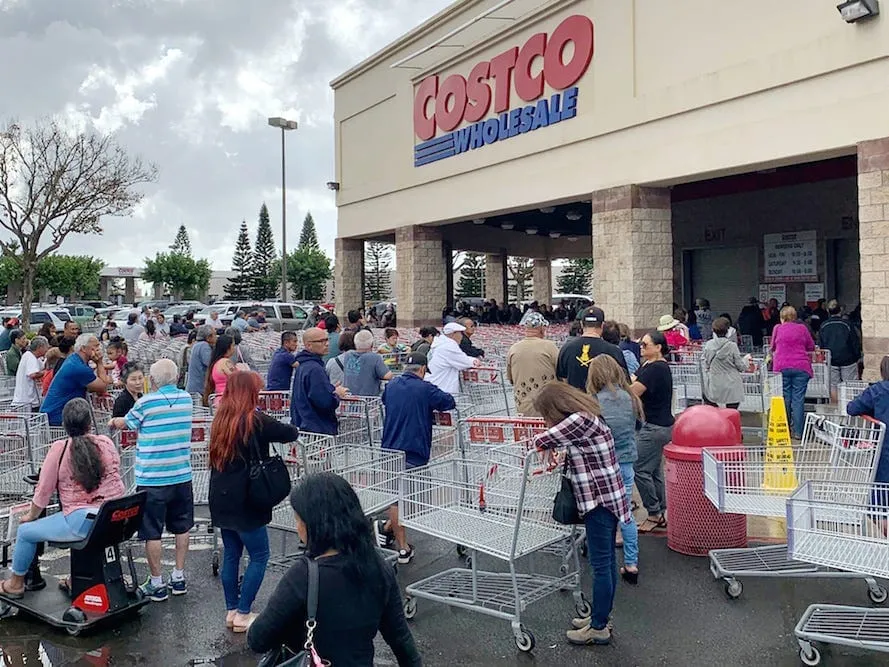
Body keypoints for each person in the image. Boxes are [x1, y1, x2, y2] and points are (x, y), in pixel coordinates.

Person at [247, 473, 421, 666]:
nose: (297, 528)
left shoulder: (303, 576)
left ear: (314, 524)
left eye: (298, 520)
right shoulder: (379, 567)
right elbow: (401, 639)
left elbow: (258, 639)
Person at [531, 382, 630, 647]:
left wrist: (545, 441)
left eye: (546, 414)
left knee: (601, 566)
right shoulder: (588, 416)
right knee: (606, 563)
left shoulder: (578, 421)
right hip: (609, 498)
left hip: (598, 502)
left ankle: (598, 627)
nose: (546, 420)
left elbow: (540, 440)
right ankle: (600, 617)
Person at [0, 399, 125, 600]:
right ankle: (79, 579)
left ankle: (15, 584)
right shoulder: (105, 442)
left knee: (25, 532)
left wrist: (30, 516)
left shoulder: (60, 449)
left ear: (65, 425)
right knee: (90, 532)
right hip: (114, 517)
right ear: (90, 423)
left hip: (82, 521)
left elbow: (43, 491)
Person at [209, 372, 300, 632]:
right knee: (259, 555)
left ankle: (231, 610)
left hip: (221, 496)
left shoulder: (220, 419)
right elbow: (289, 433)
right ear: (251, 393)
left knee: (232, 554)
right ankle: (244, 613)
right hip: (247, 498)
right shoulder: (255, 420)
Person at [108, 359, 194, 602]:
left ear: (152, 380)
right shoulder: (187, 399)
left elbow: (126, 423)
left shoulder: (146, 403)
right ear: (177, 378)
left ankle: (157, 583)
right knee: (182, 527)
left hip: (153, 478)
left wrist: (113, 421)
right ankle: (179, 576)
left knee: (152, 532)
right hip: (181, 474)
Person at [377, 352, 455, 563]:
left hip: (390, 448)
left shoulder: (391, 385)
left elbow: (385, 400)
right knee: (413, 500)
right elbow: (449, 401)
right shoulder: (425, 388)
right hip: (414, 449)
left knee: (397, 499)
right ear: (422, 370)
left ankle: (389, 531)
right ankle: (402, 546)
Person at [587, 354, 643, 585]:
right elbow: (638, 426)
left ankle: (603, 560)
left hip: (601, 466)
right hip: (626, 461)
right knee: (625, 514)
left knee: (601, 514)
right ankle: (631, 563)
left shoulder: (592, 402)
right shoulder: (631, 398)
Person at [630, 331, 674, 533]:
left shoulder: (656, 369)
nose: (641, 347)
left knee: (639, 468)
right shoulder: (649, 365)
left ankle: (654, 512)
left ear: (658, 347)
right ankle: (659, 510)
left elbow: (633, 391)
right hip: (658, 424)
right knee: (653, 469)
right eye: (641, 344)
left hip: (655, 426)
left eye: (645, 345)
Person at [846, 356, 889, 527]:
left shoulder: (877, 390)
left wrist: (872, 411)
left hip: (885, 446)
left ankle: (884, 527)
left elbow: (852, 408)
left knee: (880, 492)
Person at [40, 334, 111, 426]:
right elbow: (103, 387)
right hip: (57, 417)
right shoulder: (78, 368)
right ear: (83, 348)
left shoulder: (74, 359)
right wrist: (99, 362)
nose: (99, 349)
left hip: (57, 414)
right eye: (96, 346)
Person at [290, 327, 348, 435]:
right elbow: (324, 402)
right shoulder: (315, 369)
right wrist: (337, 395)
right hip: (317, 429)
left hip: (304, 426)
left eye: (327, 340)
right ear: (309, 345)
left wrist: (330, 389)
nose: (327, 344)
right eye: (321, 341)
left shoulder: (303, 366)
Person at [770, 305, 815, 440]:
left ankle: (785, 429)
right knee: (798, 399)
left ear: (782, 317)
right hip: (801, 367)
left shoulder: (777, 328)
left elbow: (772, 346)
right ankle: (798, 432)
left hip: (782, 366)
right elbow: (811, 346)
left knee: (785, 398)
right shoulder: (802, 328)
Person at [557, 307, 628, 391]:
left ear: (582, 324)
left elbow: (563, 380)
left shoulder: (566, 349)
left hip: (575, 398)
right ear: (602, 325)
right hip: (603, 398)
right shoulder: (614, 351)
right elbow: (624, 382)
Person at [506, 311, 559, 416]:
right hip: (547, 407)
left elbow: (510, 378)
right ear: (542, 329)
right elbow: (561, 372)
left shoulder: (513, 349)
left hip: (523, 407)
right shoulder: (550, 347)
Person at [702, 317, 751, 409]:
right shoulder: (732, 346)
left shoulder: (708, 345)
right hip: (732, 382)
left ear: (713, 330)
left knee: (711, 403)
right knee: (732, 409)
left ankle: (718, 416)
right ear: (728, 330)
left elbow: (706, 363)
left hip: (715, 381)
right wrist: (746, 361)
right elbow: (740, 366)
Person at [817, 299, 861, 402]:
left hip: (831, 359)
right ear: (840, 310)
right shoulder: (847, 324)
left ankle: (835, 406)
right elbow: (854, 341)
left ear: (828, 311)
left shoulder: (824, 325)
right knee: (849, 384)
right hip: (848, 359)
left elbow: (821, 343)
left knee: (833, 385)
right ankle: (849, 407)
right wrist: (857, 356)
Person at [426, 322, 476, 395]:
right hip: (444, 390)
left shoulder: (439, 344)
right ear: (454, 334)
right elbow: (464, 362)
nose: (462, 337)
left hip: (434, 386)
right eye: (460, 333)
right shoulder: (449, 346)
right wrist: (474, 360)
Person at [343, 330, 392, 397]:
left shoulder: (348, 355)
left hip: (349, 397)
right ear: (371, 344)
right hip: (368, 398)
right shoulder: (374, 357)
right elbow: (388, 376)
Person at [11, 336, 48, 411]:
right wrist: (46, 372)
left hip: (28, 401)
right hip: (26, 402)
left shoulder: (35, 357)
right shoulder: (30, 357)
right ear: (40, 347)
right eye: (46, 347)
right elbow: (33, 374)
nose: (47, 349)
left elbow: (43, 366)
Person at [204, 334, 236, 406]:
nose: (234, 348)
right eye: (233, 345)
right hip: (227, 401)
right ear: (228, 347)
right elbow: (237, 378)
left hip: (219, 399)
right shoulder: (225, 362)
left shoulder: (216, 362)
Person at [186, 325, 216, 396]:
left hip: (194, 386)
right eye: (214, 334)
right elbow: (210, 363)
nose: (216, 337)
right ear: (208, 337)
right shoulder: (204, 347)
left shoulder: (197, 345)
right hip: (199, 388)